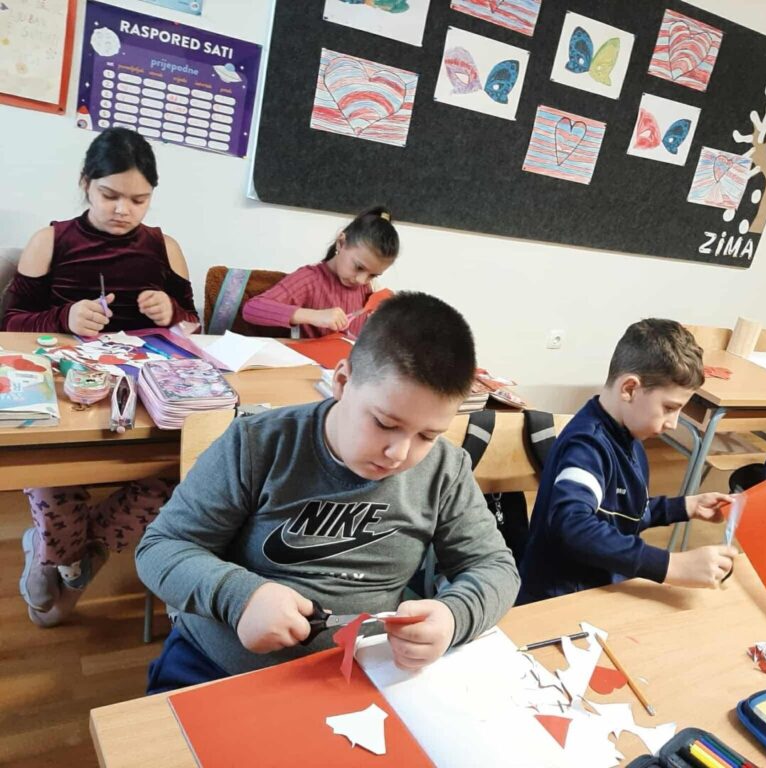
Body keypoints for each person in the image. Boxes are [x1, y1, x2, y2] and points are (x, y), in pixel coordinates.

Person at [138, 292, 519, 692]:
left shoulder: (444, 468)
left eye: (427, 435)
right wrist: (240, 597)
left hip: (362, 675)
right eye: (385, 424)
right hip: (217, 666)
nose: (399, 453)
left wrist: (454, 616)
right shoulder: (257, 445)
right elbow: (161, 547)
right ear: (341, 382)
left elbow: (494, 567)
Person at [2, 127, 199, 627]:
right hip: (68, 396)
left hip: (142, 399)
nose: (123, 210)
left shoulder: (164, 246)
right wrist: (63, 317)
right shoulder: (51, 240)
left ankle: (59, 557)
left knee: (170, 478)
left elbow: (193, 324)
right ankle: (71, 562)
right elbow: (10, 324)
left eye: (139, 200)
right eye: (110, 195)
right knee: (53, 475)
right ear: (85, 183)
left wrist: (171, 311)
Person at [517, 319, 737, 604]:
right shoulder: (586, 445)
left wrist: (684, 506)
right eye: (669, 408)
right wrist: (671, 565)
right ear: (630, 389)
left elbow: (624, 513)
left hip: (599, 588)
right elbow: (572, 526)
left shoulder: (629, 438)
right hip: (558, 600)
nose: (673, 423)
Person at [242, 206, 398, 338]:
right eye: (359, 267)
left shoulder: (368, 289)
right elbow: (252, 309)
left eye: (373, 275)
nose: (361, 280)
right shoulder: (310, 279)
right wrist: (313, 316)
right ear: (341, 243)